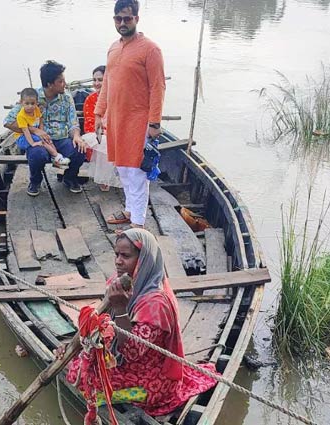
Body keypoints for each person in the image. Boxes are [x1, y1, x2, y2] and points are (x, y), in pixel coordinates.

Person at [60, 228, 218, 423]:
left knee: (81, 377)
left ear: (143, 260)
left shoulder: (156, 303)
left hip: (152, 379)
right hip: (132, 365)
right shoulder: (123, 282)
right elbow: (107, 324)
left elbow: (132, 352)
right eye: (116, 254)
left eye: (125, 256)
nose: (118, 261)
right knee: (78, 362)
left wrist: (120, 308)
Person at [94, 0, 166, 228]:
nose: (122, 23)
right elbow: (107, 82)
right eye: (118, 18)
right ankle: (129, 209)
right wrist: (98, 114)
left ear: (136, 18)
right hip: (116, 121)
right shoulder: (113, 48)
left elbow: (158, 87)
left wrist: (154, 123)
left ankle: (138, 225)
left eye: (127, 18)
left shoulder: (150, 49)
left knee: (136, 173)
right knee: (122, 168)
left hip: (138, 121)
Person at [4, 61, 88, 195]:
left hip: (61, 139)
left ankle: (70, 177)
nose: (65, 84)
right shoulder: (31, 98)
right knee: (37, 153)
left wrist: (77, 136)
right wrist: (34, 130)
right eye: (60, 81)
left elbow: (73, 123)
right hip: (39, 141)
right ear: (49, 84)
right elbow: (8, 122)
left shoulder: (66, 98)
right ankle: (35, 181)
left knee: (80, 149)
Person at [82, 65, 121, 192]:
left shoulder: (118, 98)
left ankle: (108, 176)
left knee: (112, 140)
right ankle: (104, 178)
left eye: (100, 80)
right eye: (94, 80)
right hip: (95, 135)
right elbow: (89, 125)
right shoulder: (90, 99)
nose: (96, 83)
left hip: (115, 135)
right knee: (104, 141)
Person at [13, 87, 71, 168]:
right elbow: (25, 131)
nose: (30, 106)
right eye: (27, 103)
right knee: (42, 141)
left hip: (32, 134)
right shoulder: (21, 116)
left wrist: (42, 133)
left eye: (32, 103)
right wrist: (33, 143)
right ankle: (57, 156)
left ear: (36, 102)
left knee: (47, 139)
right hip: (22, 138)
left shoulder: (36, 109)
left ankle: (55, 158)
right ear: (22, 103)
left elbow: (40, 121)